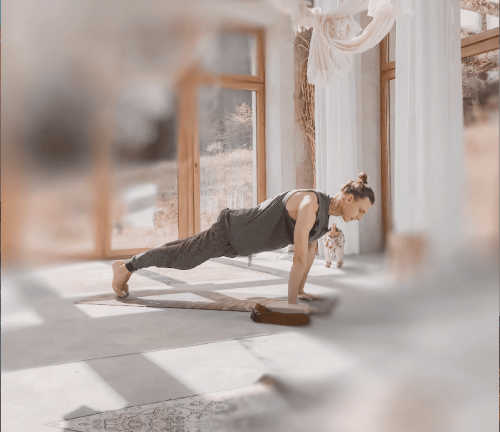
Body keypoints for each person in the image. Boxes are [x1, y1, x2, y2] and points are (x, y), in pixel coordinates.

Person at [111, 172, 375, 310]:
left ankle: (127, 264)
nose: (360, 217)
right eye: (361, 211)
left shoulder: (325, 217)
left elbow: (308, 251)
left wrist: (302, 291)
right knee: (184, 259)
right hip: (231, 231)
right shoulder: (311, 204)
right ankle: (126, 267)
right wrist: (291, 304)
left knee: (181, 249)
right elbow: (297, 258)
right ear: (349, 198)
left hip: (238, 241)